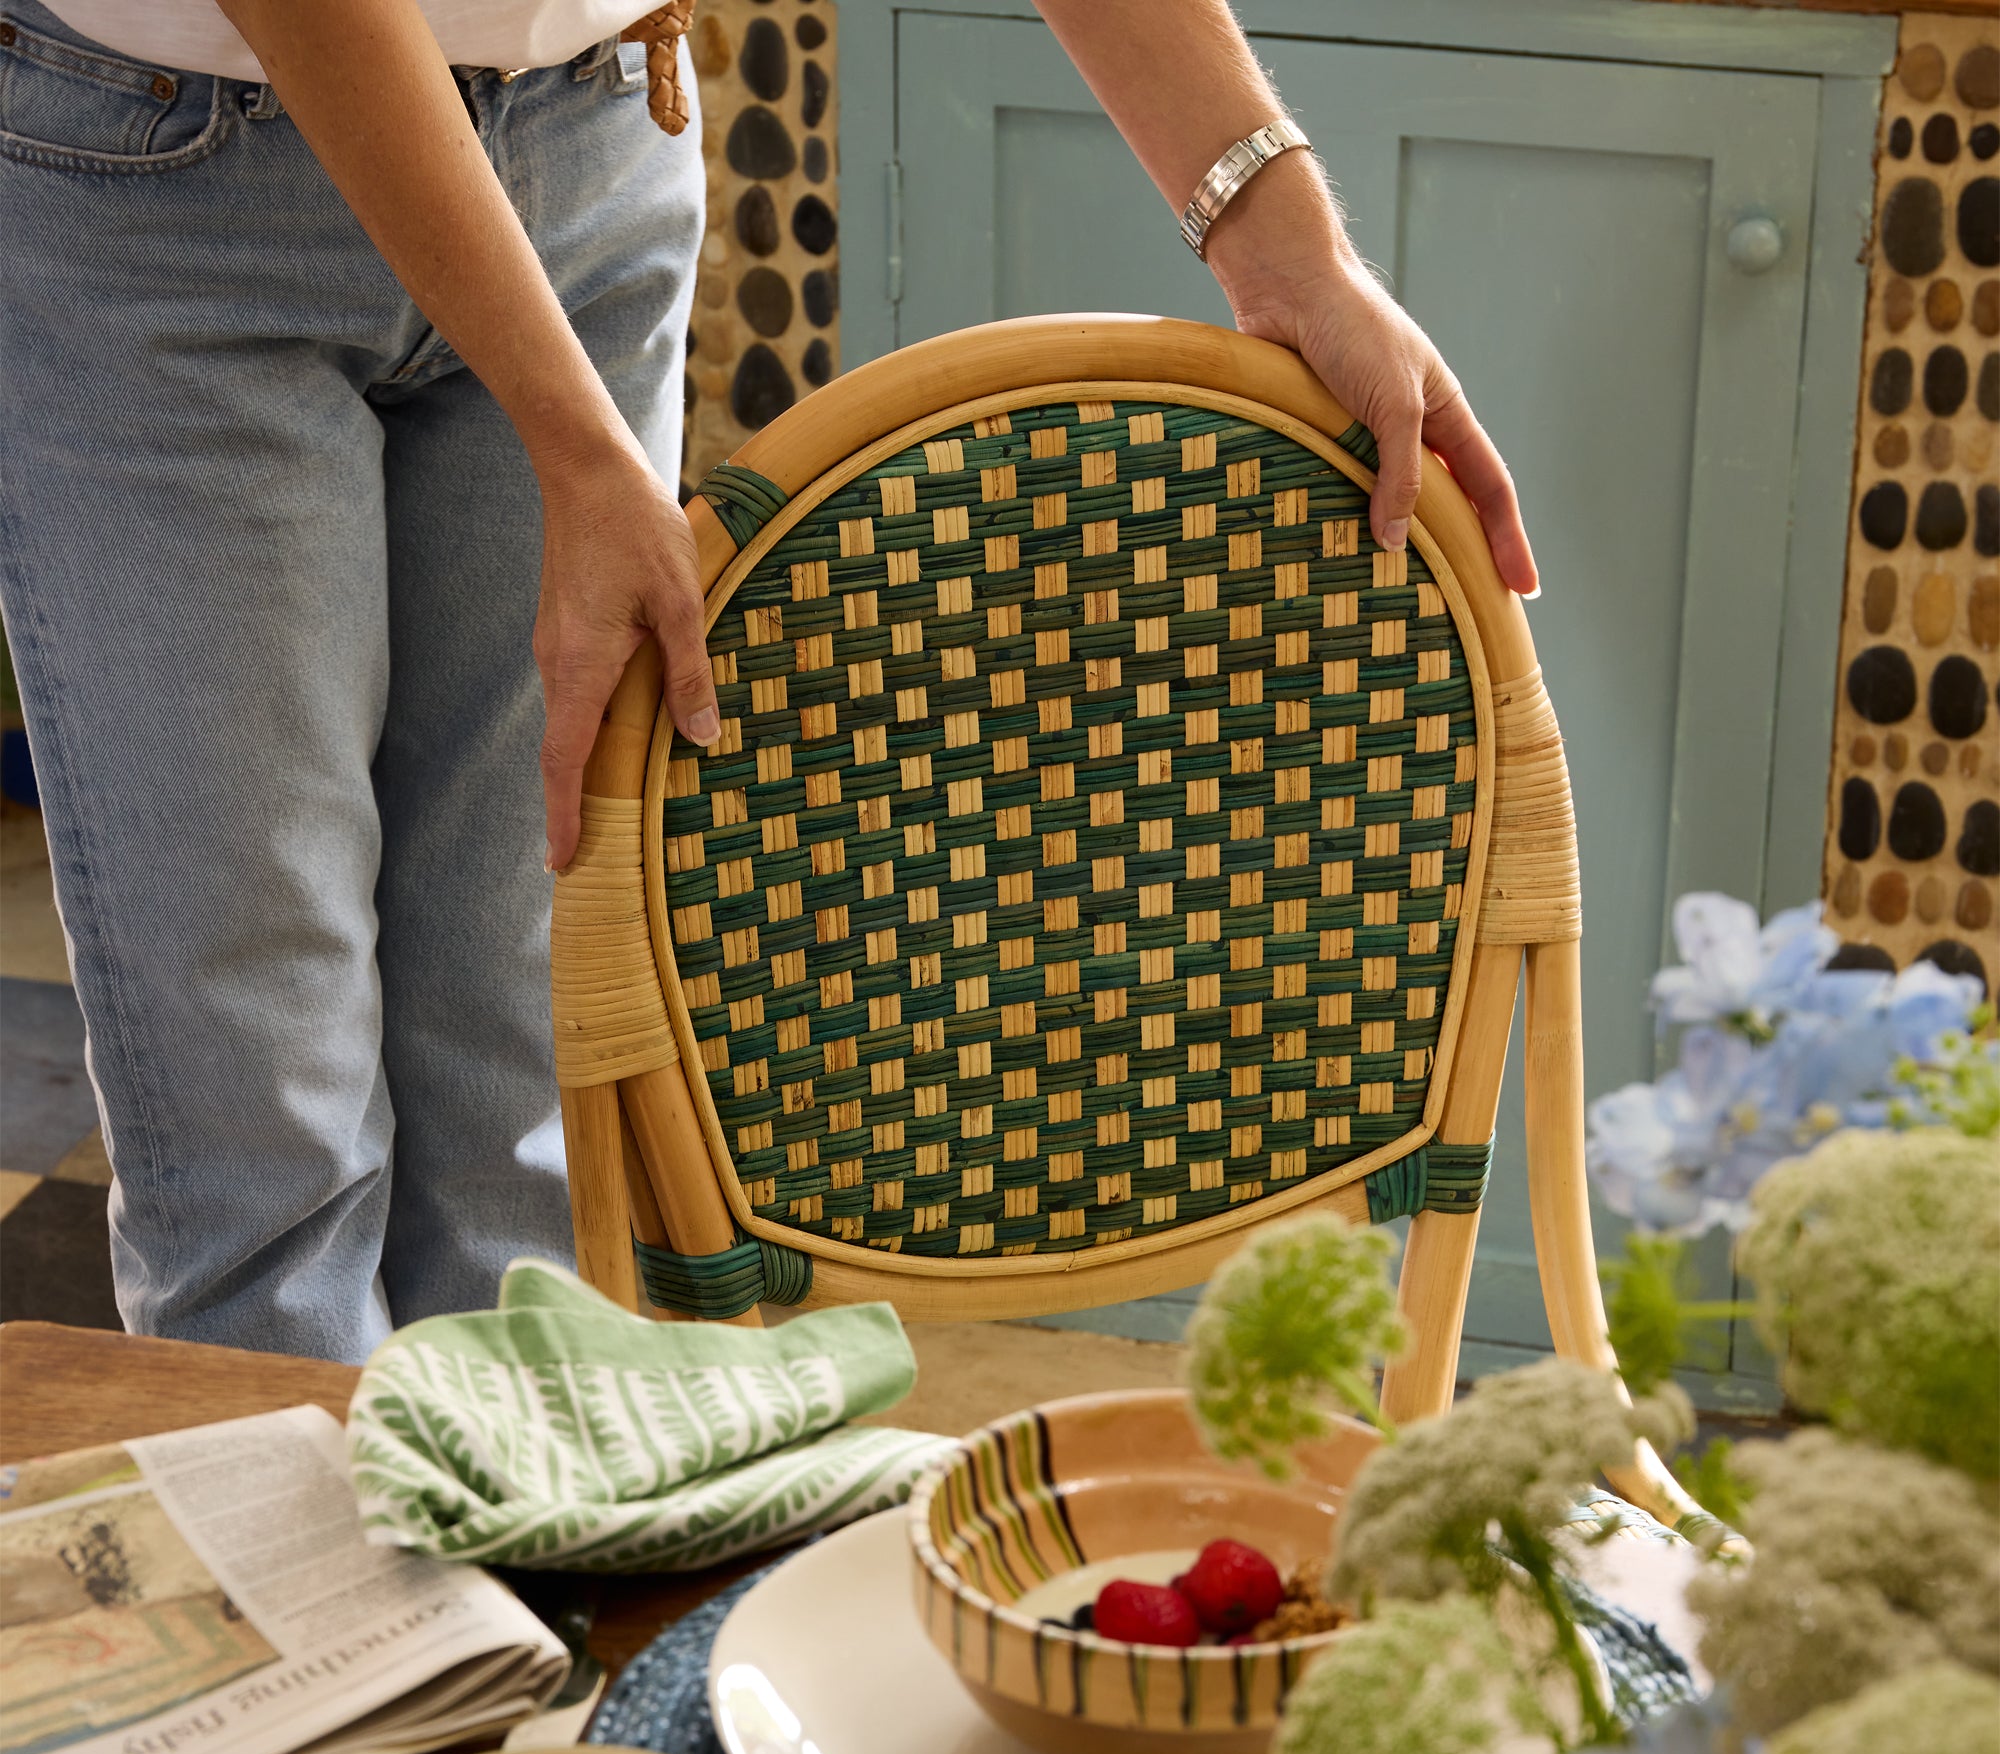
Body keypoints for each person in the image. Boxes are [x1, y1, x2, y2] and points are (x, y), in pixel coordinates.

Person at [0, 0, 1536, 1363]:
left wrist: (1284, 235)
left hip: (594, 141)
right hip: (164, 196)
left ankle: (517, 1641)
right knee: (262, 1118)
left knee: (523, 1077)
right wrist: (581, 446)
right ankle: (349, 1667)